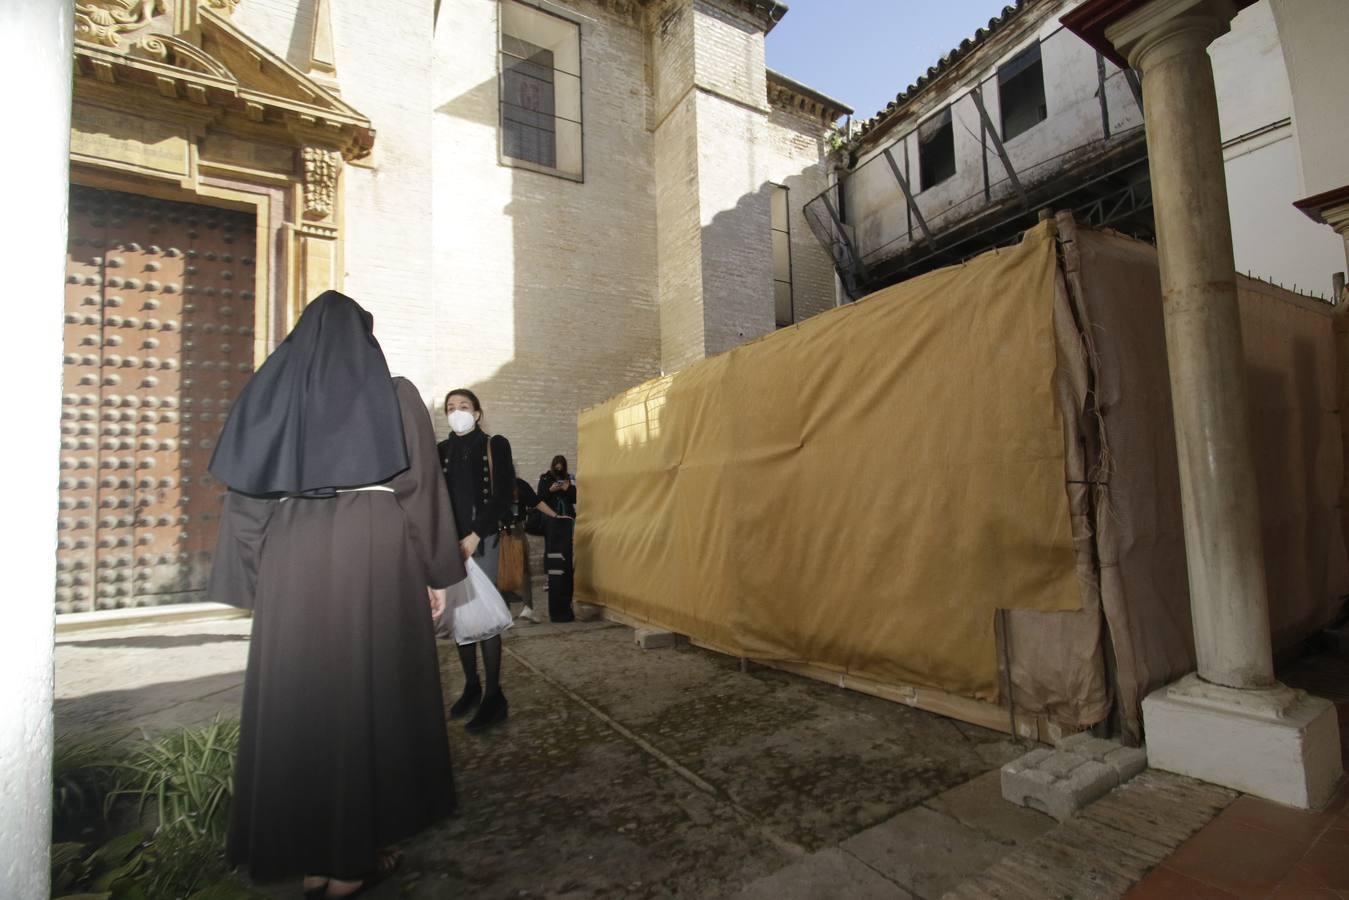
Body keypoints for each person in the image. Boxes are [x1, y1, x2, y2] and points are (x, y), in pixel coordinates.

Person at [207, 291, 462, 898]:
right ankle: (352, 861)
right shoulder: (393, 394)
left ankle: (314, 859)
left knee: (302, 700)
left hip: (291, 551)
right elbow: (420, 488)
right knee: (367, 691)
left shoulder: (270, 393)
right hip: (374, 551)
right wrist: (437, 572)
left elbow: (245, 497)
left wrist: (254, 579)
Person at [438, 389, 517, 732]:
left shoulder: (495, 444)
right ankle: (472, 686)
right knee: (460, 618)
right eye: (451, 408)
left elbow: (502, 496)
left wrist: (473, 535)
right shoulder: (440, 451)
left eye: (464, 407)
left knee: (484, 617)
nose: (457, 412)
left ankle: (494, 696)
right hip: (449, 545)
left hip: (481, 540)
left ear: (478, 413)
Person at [510, 476, 569, 624]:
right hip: (514, 529)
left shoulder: (489, 482)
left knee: (498, 572)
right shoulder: (517, 484)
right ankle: (527, 608)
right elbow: (536, 501)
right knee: (523, 570)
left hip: (492, 532)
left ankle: (503, 611)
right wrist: (556, 516)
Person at [537, 455, 578, 623]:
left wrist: (568, 488)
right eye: (557, 465)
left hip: (567, 519)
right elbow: (539, 497)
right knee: (553, 552)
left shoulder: (569, 479)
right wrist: (551, 490)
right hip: (552, 520)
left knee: (567, 554)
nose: (559, 468)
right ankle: (550, 577)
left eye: (562, 465)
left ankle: (564, 581)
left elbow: (575, 498)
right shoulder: (545, 478)